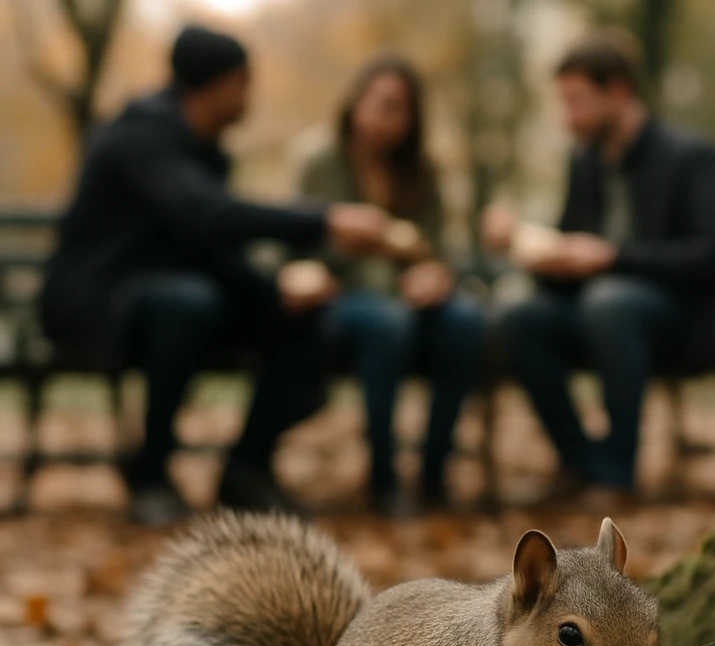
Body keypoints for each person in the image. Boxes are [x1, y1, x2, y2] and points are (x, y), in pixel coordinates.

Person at [40, 25, 387, 525]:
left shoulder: (204, 150)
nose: (249, 97)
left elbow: (206, 245)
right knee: (187, 303)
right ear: (222, 84)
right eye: (244, 84)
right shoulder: (138, 137)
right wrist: (325, 221)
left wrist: (273, 290)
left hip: (174, 298)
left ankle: (246, 468)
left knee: (296, 315)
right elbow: (206, 215)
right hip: (94, 301)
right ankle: (150, 473)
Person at [486, 30, 715, 496]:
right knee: (519, 317)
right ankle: (583, 462)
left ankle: (616, 472)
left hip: (687, 320)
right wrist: (525, 246)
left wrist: (612, 258)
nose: (567, 117)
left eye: (577, 101)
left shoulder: (691, 155)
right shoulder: (584, 163)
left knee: (610, 301)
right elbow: (570, 248)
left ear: (619, 91)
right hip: (598, 318)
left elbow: (713, 252)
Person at [296, 55, 486, 513]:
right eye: (383, 104)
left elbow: (436, 249)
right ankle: (384, 479)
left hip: (410, 296)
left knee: (465, 322)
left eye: (403, 110)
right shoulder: (321, 162)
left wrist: (435, 274)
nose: (391, 120)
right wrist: (351, 246)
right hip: (345, 296)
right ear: (356, 102)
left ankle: (434, 473)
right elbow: (302, 242)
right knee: (387, 325)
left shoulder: (422, 172)